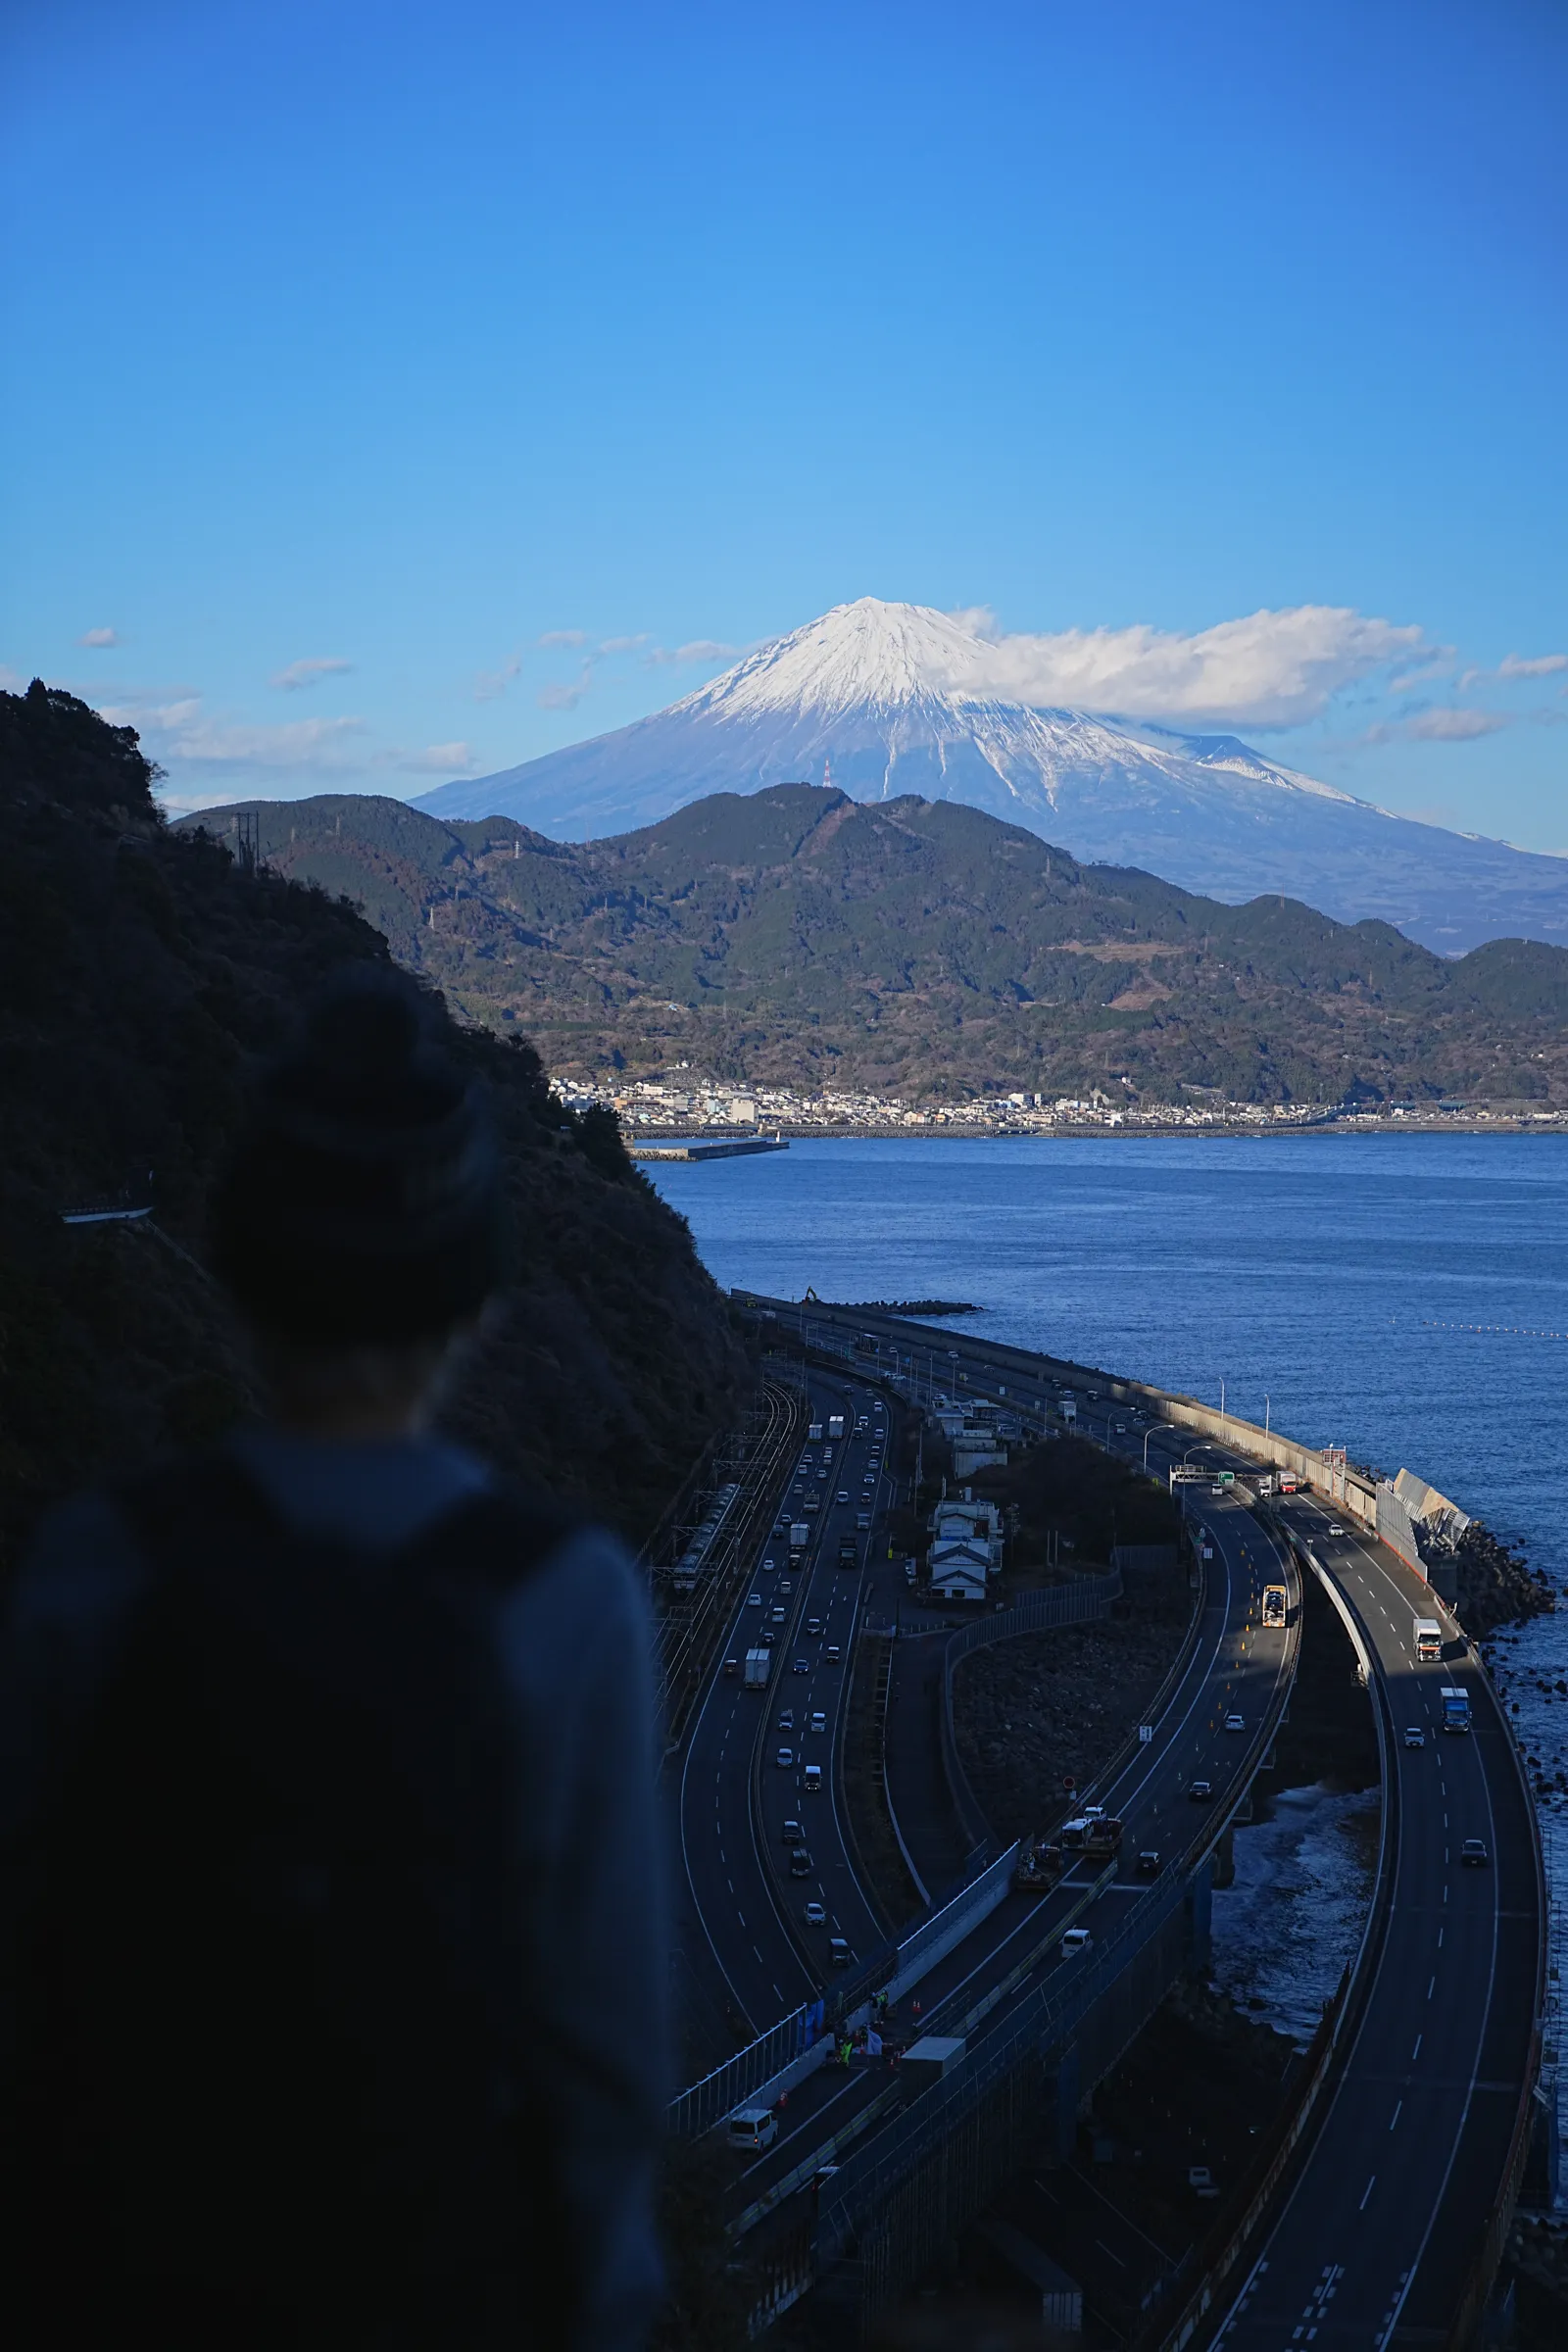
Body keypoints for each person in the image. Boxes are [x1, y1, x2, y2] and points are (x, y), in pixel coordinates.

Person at [0, 967, 668, 2350]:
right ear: (478, 1297)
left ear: (235, 1268)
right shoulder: (560, 1601)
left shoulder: (96, 1565)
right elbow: (605, 2060)